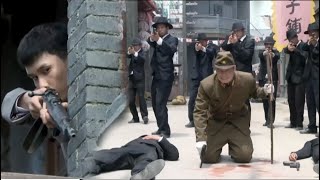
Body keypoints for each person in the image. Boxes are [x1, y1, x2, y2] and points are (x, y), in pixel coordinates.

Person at [1, 22, 69, 159]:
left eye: (46, 70)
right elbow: (7, 106)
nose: (42, 84)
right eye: (34, 78)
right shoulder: (46, 104)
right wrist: (28, 101)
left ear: (70, 57)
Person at [194, 51, 273, 163]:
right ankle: (216, 147)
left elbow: (256, 93)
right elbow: (199, 111)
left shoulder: (247, 79)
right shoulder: (206, 85)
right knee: (207, 158)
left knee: (244, 157)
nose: (224, 74)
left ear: (234, 68)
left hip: (238, 123)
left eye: (227, 70)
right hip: (217, 123)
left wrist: (265, 91)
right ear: (215, 69)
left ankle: (235, 147)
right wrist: (201, 138)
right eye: (220, 70)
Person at [84, 134, 179, 179]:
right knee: (114, 155)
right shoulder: (139, 139)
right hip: (131, 149)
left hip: (149, 150)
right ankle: (90, 164)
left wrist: (158, 138)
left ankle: (140, 175)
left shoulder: (156, 142)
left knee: (147, 159)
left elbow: (174, 154)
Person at [147, 17, 178, 138]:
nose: (160, 29)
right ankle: (161, 127)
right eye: (158, 28)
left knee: (160, 103)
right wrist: (152, 37)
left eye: (162, 27)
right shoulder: (156, 40)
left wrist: (159, 40)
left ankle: (166, 130)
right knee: (155, 103)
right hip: (156, 75)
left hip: (166, 76)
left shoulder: (172, 40)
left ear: (167, 28)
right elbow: (149, 42)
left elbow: (170, 51)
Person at [220, 22, 255, 119]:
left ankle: (246, 125)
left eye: (237, 31)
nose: (235, 34)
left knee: (244, 100)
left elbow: (246, 56)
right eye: (234, 32)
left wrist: (235, 44)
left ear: (242, 31)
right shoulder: (232, 39)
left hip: (244, 74)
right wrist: (229, 42)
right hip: (232, 74)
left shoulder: (250, 41)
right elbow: (223, 48)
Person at [186, 33, 217, 128]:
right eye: (199, 41)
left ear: (206, 41)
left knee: (208, 99)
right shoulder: (194, 47)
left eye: (203, 41)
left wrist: (203, 49)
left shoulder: (211, 47)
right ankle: (192, 120)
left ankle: (209, 119)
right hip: (196, 77)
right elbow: (192, 52)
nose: (201, 43)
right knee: (192, 99)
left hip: (206, 77)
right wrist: (197, 48)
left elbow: (211, 53)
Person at [283, 29, 307, 130]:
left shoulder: (303, 45)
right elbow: (285, 50)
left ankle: (299, 123)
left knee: (299, 101)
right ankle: (292, 122)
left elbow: (304, 57)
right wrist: (289, 48)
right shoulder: (290, 46)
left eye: (292, 39)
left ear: (296, 37)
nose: (291, 41)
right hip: (290, 78)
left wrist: (295, 50)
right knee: (291, 100)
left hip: (300, 78)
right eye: (289, 40)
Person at [300, 22, 319, 135]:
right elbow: (302, 47)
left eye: (314, 33)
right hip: (309, 78)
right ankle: (312, 126)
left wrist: (316, 45)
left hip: (318, 78)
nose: (312, 35)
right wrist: (310, 43)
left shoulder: (317, 44)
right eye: (310, 33)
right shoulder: (309, 44)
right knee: (310, 102)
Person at [257, 36, 280, 128]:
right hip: (263, 79)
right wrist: (266, 53)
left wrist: (272, 54)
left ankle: (271, 121)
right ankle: (267, 119)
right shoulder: (261, 52)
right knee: (265, 100)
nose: (269, 46)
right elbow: (261, 55)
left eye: (270, 44)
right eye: (267, 44)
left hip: (272, 79)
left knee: (272, 100)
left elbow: (276, 56)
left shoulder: (276, 53)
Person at [127, 37, 149, 124]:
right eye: (133, 46)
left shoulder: (142, 53)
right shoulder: (133, 53)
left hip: (140, 79)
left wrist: (135, 53)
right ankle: (135, 117)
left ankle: (144, 116)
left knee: (141, 98)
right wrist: (130, 51)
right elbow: (127, 55)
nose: (134, 47)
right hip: (132, 78)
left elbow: (141, 60)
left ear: (139, 46)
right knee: (131, 99)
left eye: (135, 45)